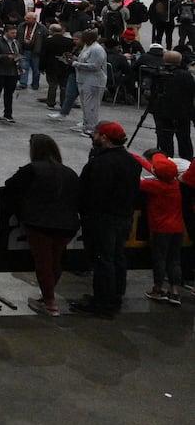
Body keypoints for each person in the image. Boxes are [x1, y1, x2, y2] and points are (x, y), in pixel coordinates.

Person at [69, 121, 141, 318]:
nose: (94, 138)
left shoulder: (102, 163)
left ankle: (103, 303)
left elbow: (94, 193)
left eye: (97, 135)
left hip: (103, 220)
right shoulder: (132, 161)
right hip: (124, 217)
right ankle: (115, 296)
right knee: (117, 257)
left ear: (104, 138)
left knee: (103, 261)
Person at [2, 134, 79, 316]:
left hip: (39, 223)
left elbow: (9, 186)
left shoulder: (32, 169)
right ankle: (47, 297)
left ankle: (50, 303)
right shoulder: (69, 171)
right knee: (55, 260)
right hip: (68, 225)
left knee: (43, 262)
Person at [135, 151, 184, 305]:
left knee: (159, 259)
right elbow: (152, 167)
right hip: (177, 228)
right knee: (174, 260)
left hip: (160, 229)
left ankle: (158, 289)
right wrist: (134, 156)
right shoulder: (175, 183)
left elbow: (135, 181)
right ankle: (175, 292)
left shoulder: (153, 186)